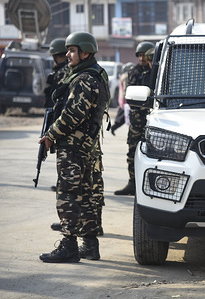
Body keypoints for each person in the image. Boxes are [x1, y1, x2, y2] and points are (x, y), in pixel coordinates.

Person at [38, 31, 110, 263]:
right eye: (67, 50)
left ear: (85, 52)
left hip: (73, 145)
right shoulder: (96, 74)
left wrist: (51, 134)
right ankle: (89, 246)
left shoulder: (83, 79)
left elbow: (72, 115)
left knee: (68, 193)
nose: (67, 54)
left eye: (72, 50)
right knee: (87, 194)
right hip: (86, 145)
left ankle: (68, 245)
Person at [115, 41, 154, 196]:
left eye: (145, 55)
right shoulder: (134, 72)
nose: (142, 59)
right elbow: (130, 94)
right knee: (132, 151)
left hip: (153, 119)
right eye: (139, 55)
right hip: (137, 120)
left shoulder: (157, 71)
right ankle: (133, 183)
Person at [44, 38, 69, 193]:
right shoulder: (57, 72)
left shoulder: (66, 72)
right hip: (54, 115)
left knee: (64, 152)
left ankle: (64, 182)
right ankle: (61, 181)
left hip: (63, 117)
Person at [110, 62, 134, 135]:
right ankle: (113, 128)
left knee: (123, 117)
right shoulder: (126, 76)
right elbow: (126, 88)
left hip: (122, 99)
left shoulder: (123, 75)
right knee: (124, 118)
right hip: (125, 100)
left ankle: (114, 127)